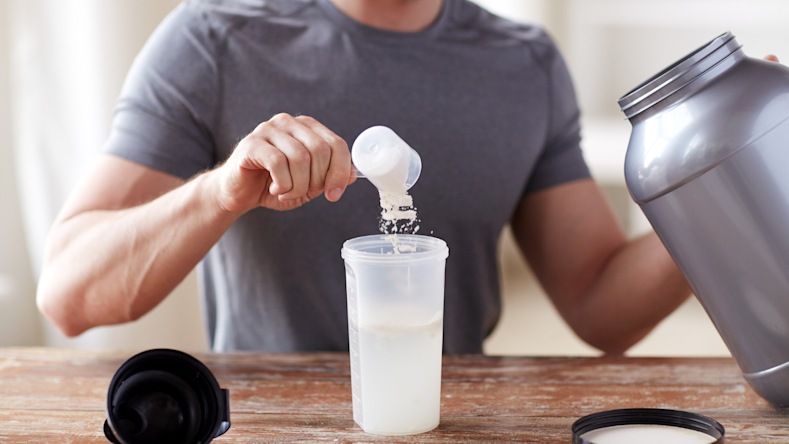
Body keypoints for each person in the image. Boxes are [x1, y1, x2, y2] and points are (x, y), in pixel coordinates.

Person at [36, 0, 692, 354]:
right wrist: (220, 191)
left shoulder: (524, 65)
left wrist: (717, 188)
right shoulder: (214, 40)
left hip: (449, 422)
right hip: (270, 427)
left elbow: (600, 305)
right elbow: (69, 295)